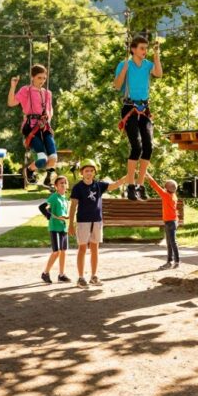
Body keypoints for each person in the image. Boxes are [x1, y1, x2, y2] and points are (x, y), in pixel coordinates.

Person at [113, 35, 162, 201]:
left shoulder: (148, 64)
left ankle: (141, 185)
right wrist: (125, 70)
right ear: (133, 49)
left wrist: (156, 55)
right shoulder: (124, 64)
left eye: (145, 48)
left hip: (145, 109)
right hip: (130, 108)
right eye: (141, 48)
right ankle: (131, 185)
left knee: (148, 147)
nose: (144, 51)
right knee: (136, 146)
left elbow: (159, 73)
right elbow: (117, 85)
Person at [68, 159, 125, 288]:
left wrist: (127, 177)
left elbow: (114, 185)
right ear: (82, 172)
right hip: (83, 221)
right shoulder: (78, 187)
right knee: (82, 249)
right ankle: (81, 278)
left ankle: (94, 276)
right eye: (86, 170)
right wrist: (70, 224)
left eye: (91, 171)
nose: (89, 173)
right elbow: (73, 206)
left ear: (94, 172)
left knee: (95, 249)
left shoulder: (99, 185)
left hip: (97, 221)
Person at [8, 64, 57, 188]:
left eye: (44, 78)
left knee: (53, 158)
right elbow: (11, 102)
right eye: (39, 78)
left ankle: (48, 178)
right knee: (42, 160)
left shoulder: (47, 93)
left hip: (44, 126)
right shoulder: (26, 90)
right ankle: (30, 170)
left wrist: (48, 119)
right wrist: (13, 87)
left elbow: (50, 109)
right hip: (31, 127)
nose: (42, 81)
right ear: (33, 77)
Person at [41, 176, 72, 284]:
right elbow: (43, 208)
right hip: (54, 228)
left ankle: (61, 275)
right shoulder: (54, 197)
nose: (63, 185)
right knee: (56, 252)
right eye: (61, 183)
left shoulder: (65, 198)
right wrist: (53, 217)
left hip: (63, 228)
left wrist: (66, 217)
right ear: (56, 186)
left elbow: (64, 212)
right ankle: (45, 273)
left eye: (65, 183)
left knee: (63, 251)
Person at [145, 171, 180, 269]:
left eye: (165, 186)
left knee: (172, 242)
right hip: (171, 221)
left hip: (170, 222)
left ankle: (175, 261)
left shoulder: (166, 195)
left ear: (167, 188)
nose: (163, 188)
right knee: (170, 242)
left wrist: (148, 176)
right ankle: (170, 261)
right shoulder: (173, 195)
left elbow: (155, 186)